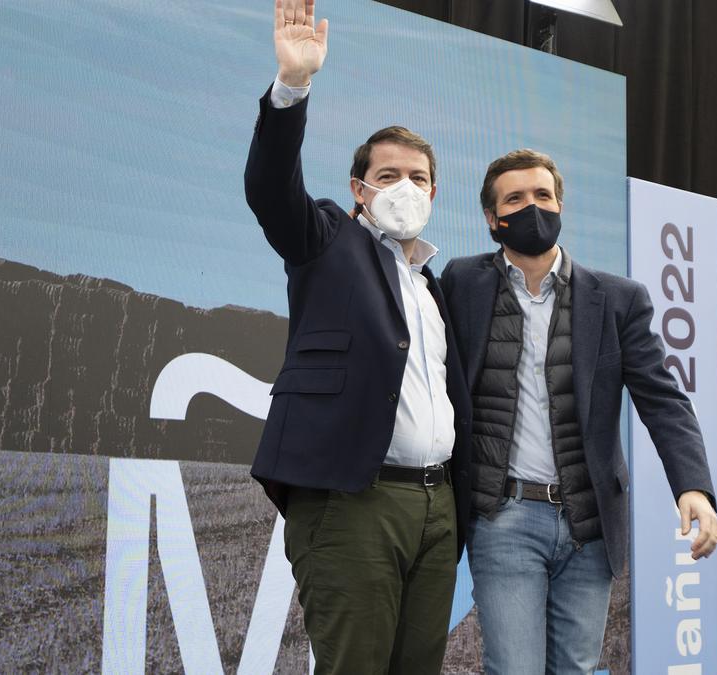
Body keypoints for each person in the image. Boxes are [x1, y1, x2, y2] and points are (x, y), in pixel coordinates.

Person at [245, 1, 472, 672]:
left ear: (435, 192)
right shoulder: (328, 239)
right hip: (353, 504)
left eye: (419, 177)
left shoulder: (433, 288)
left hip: (436, 508)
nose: (405, 187)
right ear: (358, 188)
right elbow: (269, 191)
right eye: (389, 175)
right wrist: (292, 87)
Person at [439, 149, 717, 674]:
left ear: (561, 203)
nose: (533, 208)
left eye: (543, 195)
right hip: (505, 517)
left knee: (577, 668)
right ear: (491, 217)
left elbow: (663, 399)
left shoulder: (617, 299)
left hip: (589, 525)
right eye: (515, 199)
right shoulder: (462, 284)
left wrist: (694, 487)